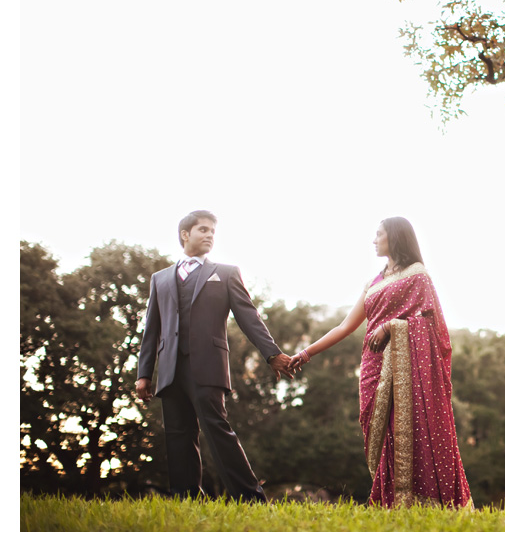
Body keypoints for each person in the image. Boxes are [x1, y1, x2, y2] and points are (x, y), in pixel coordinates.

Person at [288, 217, 473, 508]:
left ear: (395, 238)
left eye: (379, 234)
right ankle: (390, 501)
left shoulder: (418, 276)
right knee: (380, 433)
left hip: (410, 370)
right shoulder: (373, 283)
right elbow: (345, 326)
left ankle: (419, 503)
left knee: (409, 430)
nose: (374, 240)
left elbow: (432, 325)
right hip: (373, 367)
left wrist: (392, 327)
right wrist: (307, 353)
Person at [135, 210, 293, 502]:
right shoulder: (160, 279)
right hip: (170, 369)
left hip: (208, 366)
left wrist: (272, 354)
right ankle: (187, 499)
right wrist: (144, 374)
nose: (209, 236)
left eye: (212, 232)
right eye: (203, 230)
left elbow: (249, 317)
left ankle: (250, 498)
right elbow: (151, 329)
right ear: (185, 234)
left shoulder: (226, 272)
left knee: (218, 431)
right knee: (178, 436)